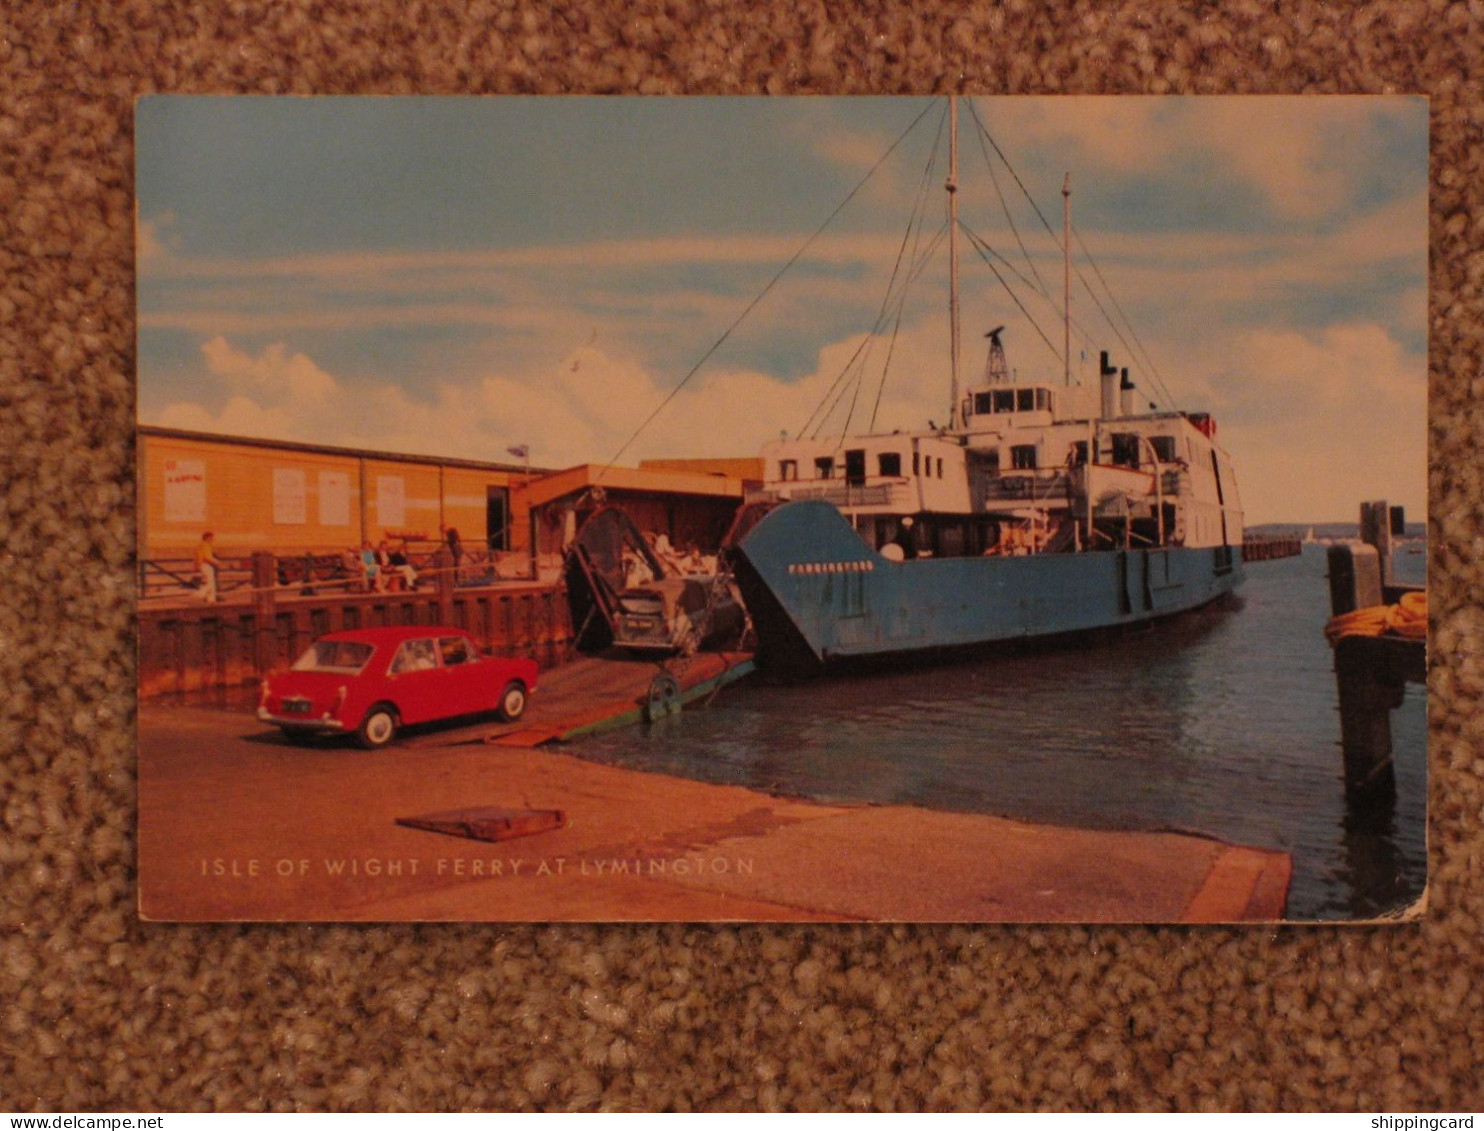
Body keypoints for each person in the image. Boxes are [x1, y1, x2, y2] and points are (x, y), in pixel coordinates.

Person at [194, 532, 221, 603]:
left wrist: (196, 566)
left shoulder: (200, 546)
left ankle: (211, 599)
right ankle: (200, 594)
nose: (212, 539)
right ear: (207, 538)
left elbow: (197, 557)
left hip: (201, 565)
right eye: (211, 538)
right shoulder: (206, 545)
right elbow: (207, 557)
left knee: (210, 582)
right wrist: (216, 562)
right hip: (207, 565)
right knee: (210, 582)